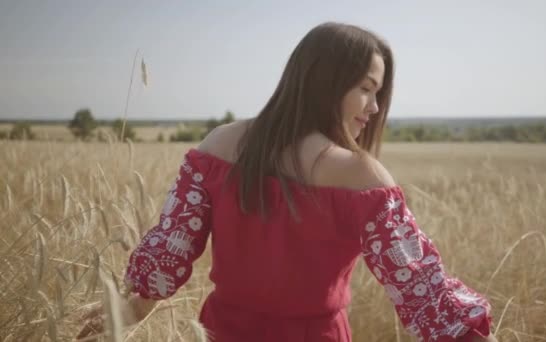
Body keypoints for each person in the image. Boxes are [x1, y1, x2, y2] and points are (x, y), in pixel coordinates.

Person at [78, 22, 497, 341]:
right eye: (367, 89)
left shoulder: (218, 145)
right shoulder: (362, 176)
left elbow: (173, 244)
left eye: (379, 94)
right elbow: (421, 288)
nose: (373, 107)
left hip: (219, 332)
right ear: (326, 81)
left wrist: (131, 309)